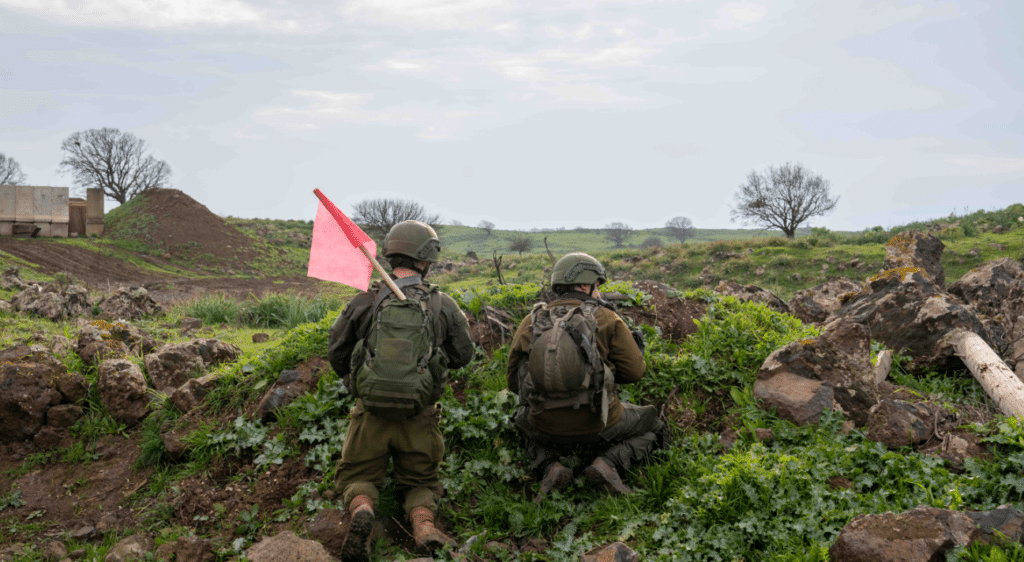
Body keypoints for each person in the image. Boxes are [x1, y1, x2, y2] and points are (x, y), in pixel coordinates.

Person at [328, 220, 474, 561]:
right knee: (421, 481)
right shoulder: (443, 305)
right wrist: (428, 375)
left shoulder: (366, 301)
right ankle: (423, 525)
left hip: (371, 413)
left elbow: (336, 349)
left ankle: (362, 508)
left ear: (392, 255)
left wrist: (358, 384)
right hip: (419, 413)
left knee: (359, 475)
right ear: (427, 259)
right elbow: (463, 354)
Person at [506, 252, 666, 498]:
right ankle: (609, 463)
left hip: (545, 425)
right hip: (601, 422)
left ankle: (550, 466)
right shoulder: (607, 317)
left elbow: (514, 384)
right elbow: (635, 372)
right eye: (597, 286)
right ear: (584, 284)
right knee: (654, 424)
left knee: (520, 420)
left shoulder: (532, 320)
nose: (599, 293)